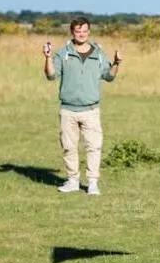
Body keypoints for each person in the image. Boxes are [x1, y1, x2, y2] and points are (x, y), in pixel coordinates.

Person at [43, 17, 122, 195]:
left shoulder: (99, 53)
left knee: (93, 146)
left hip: (91, 109)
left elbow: (109, 76)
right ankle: (72, 181)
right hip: (68, 109)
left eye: (85, 31)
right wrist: (47, 57)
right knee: (69, 147)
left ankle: (93, 183)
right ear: (72, 32)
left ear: (89, 32)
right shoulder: (63, 53)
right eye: (78, 31)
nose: (82, 34)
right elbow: (51, 75)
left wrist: (117, 63)